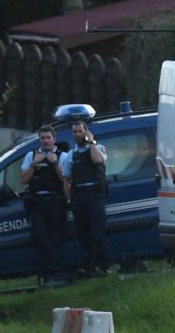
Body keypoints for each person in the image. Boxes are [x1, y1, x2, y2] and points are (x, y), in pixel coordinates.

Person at [61, 121, 109, 276]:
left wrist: (91, 142)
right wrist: (70, 200)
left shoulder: (97, 148)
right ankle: (89, 267)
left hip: (95, 194)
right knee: (83, 233)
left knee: (98, 231)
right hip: (79, 196)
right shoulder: (70, 155)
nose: (77, 134)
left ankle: (104, 266)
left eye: (80, 131)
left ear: (86, 132)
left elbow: (98, 161)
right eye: (74, 132)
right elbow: (66, 179)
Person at [20, 125, 67, 282]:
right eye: (43, 138)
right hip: (37, 202)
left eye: (48, 138)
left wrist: (55, 163)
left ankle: (53, 272)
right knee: (40, 236)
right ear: (39, 140)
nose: (46, 141)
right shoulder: (31, 156)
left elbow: (65, 179)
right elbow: (23, 180)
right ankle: (55, 268)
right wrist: (34, 163)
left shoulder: (62, 156)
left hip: (56, 202)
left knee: (55, 236)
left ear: (54, 139)